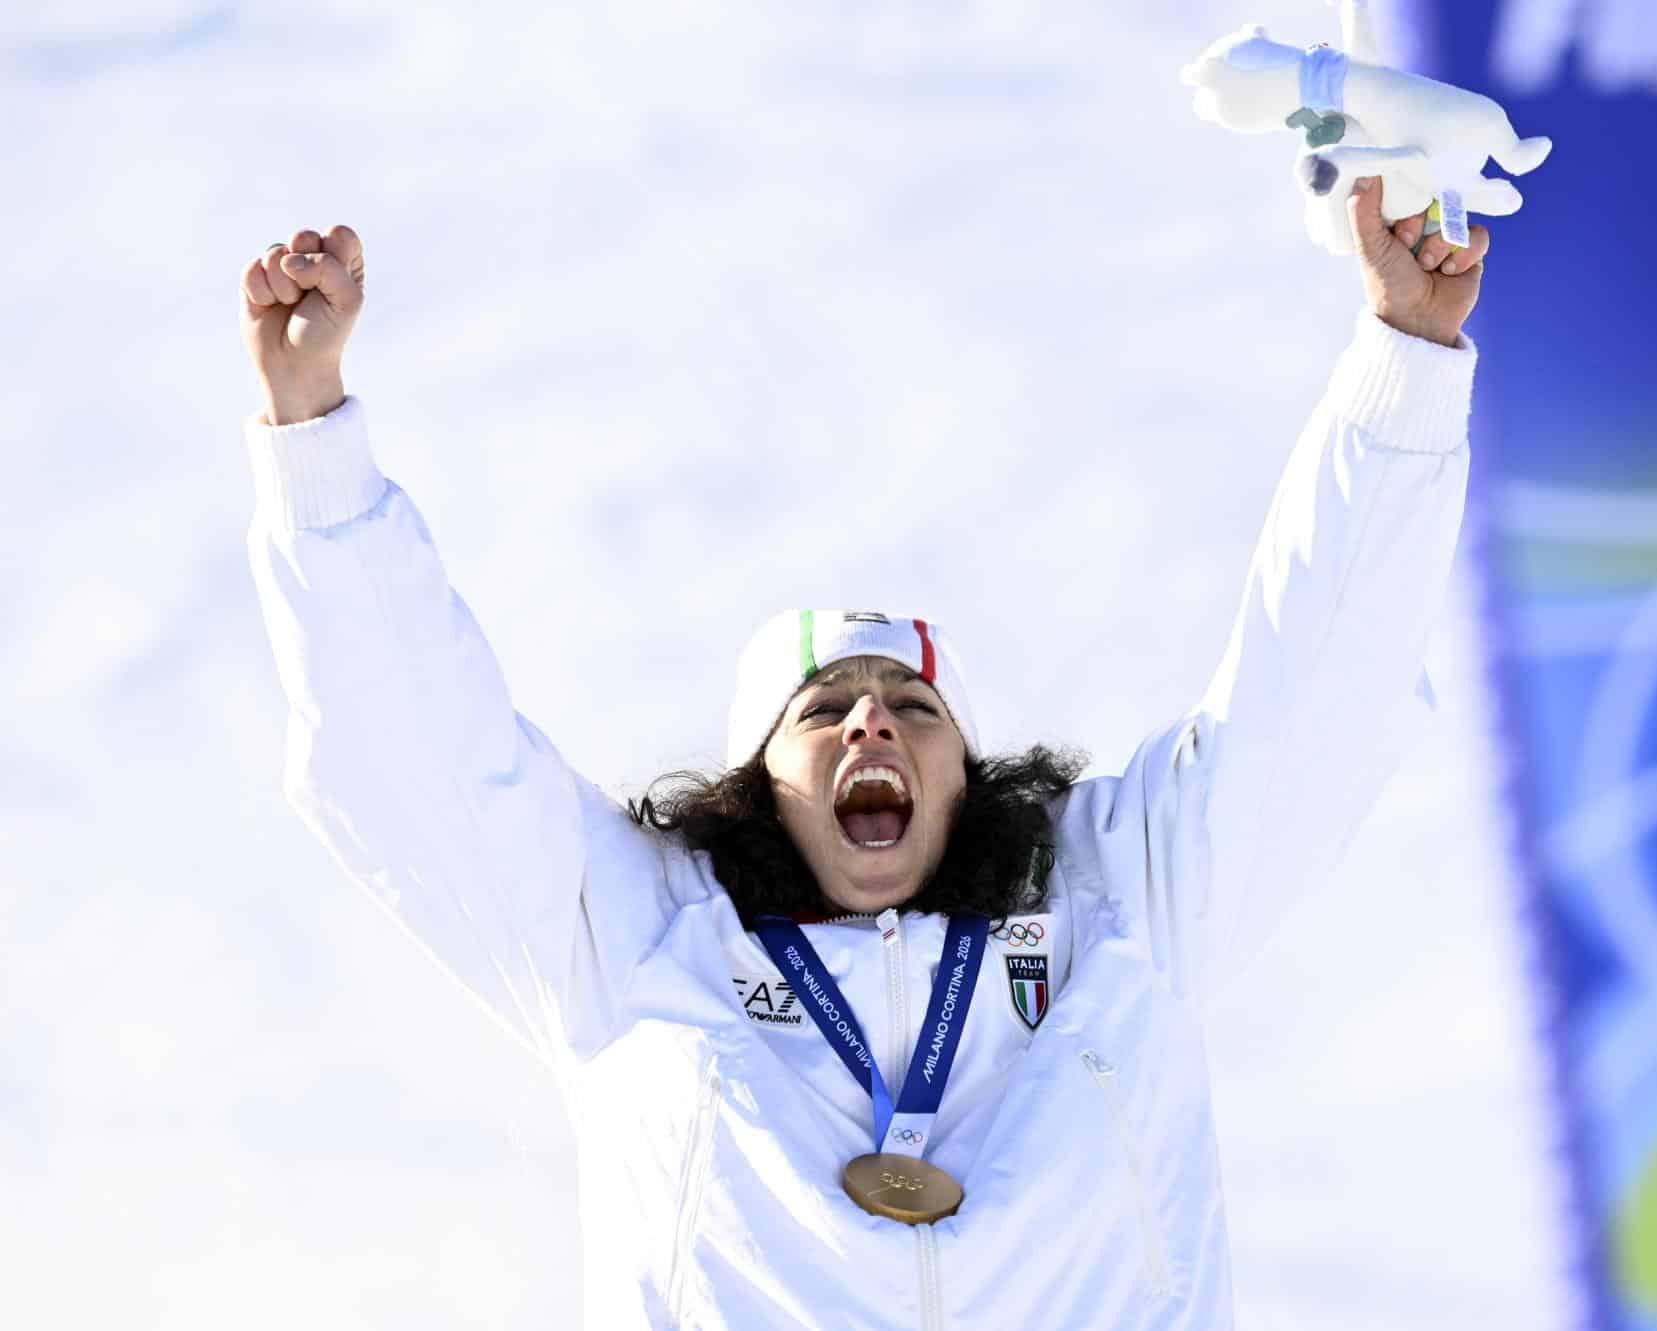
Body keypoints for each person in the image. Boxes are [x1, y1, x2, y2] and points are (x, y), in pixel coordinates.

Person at [239, 175, 1488, 1331]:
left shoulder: (1123, 905)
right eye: (823, 706)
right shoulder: (627, 940)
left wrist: (1405, 360)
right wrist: (312, 440)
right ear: (752, 786)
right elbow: (422, 750)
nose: (872, 721)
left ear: (969, 777)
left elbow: (1315, 691)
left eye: (913, 706)